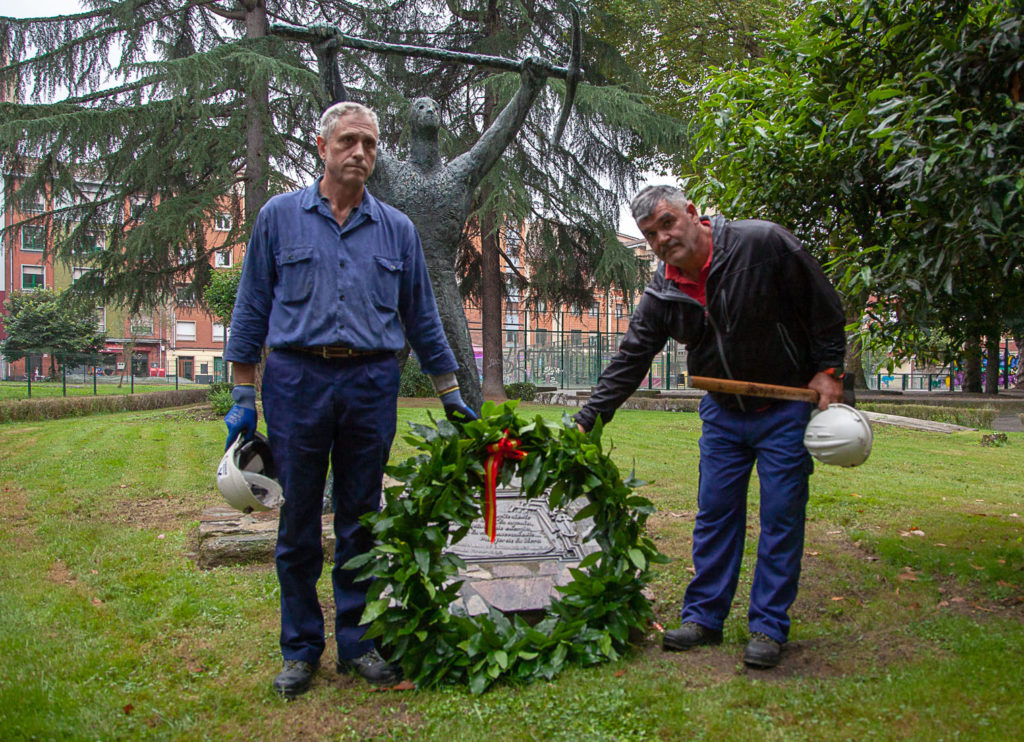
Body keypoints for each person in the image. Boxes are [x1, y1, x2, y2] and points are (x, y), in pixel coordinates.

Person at [223, 101, 477, 699]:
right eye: (348, 141)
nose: (360, 152)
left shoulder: (398, 229)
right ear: (322, 146)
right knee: (298, 520)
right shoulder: (279, 217)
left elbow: (423, 318)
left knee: (362, 517)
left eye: (369, 143)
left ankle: (358, 644)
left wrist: (450, 392)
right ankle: (300, 649)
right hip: (296, 381)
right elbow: (251, 305)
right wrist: (242, 391)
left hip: (370, 382)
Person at [575, 184, 846, 669]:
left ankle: (768, 626)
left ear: (692, 213)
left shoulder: (762, 244)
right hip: (722, 412)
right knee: (715, 514)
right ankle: (704, 617)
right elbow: (632, 357)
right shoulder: (663, 291)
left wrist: (829, 370)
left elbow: (823, 306)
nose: (661, 239)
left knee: (781, 516)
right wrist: (587, 419)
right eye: (650, 234)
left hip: (784, 407)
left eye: (666, 223)